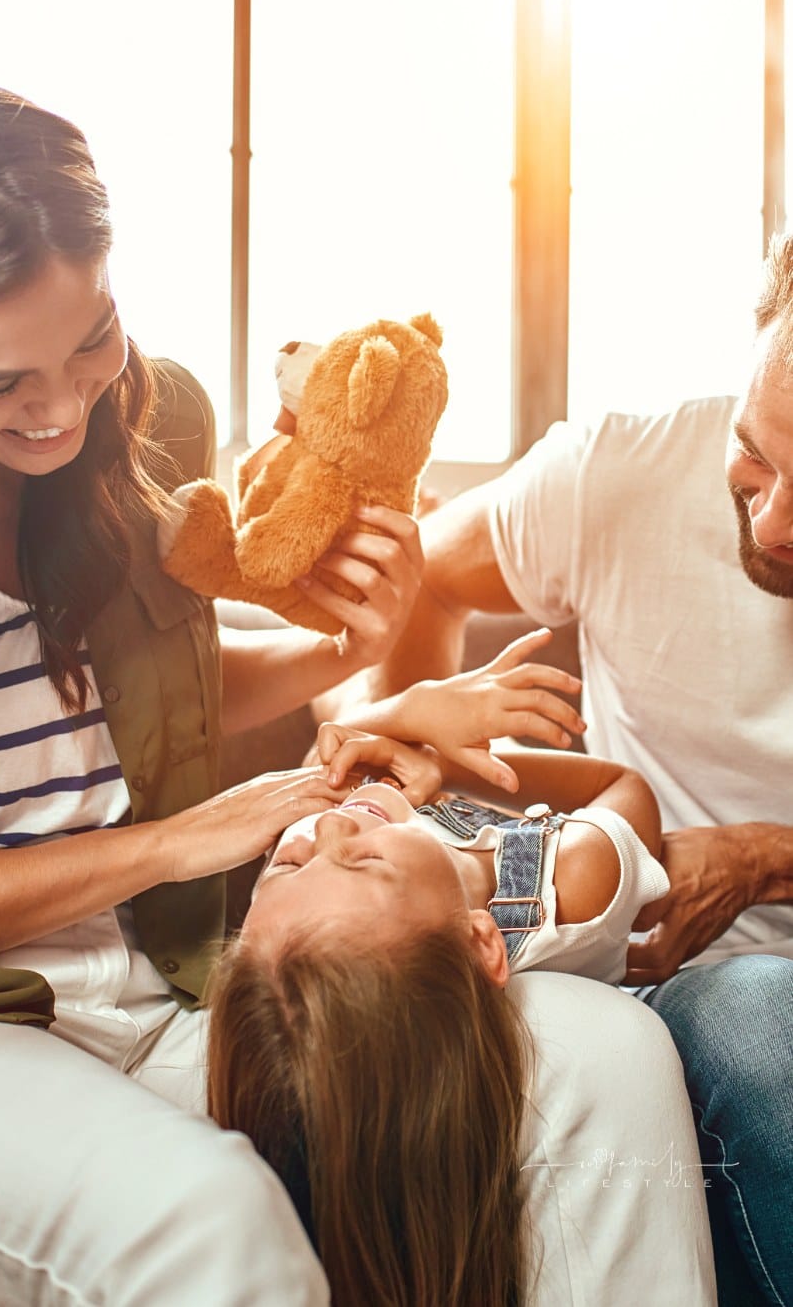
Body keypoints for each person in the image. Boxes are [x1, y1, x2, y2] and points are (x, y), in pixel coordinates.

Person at [0, 77, 591, 1306]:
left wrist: (345, 652)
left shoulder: (123, 445)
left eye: (92, 339)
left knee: (599, 1062)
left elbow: (147, 691)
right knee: (212, 1223)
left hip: (158, 981)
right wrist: (175, 844)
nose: (59, 409)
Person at [320, 237, 793, 1306]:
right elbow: (427, 578)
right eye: (754, 454)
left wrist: (767, 860)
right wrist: (419, 751)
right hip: (718, 988)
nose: (772, 522)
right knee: (768, 1026)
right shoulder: (618, 475)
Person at [206, 722, 718, 1307]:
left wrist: (391, 737)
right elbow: (623, 785)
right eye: (366, 862)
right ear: (481, 943)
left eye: (289, 864)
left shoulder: (316, 931)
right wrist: (446, 763)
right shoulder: (571, 879)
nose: (326, 826)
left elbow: (333, 762)